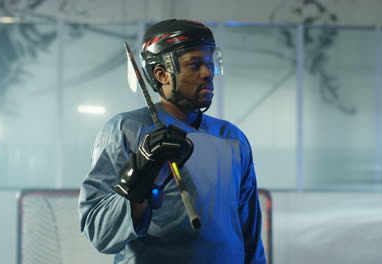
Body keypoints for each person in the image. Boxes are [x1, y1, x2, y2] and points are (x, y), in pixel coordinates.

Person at [78, 19, 266, 264]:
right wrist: (140, 177)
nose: (208, 73)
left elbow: (249, 232)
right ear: (162, 74)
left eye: (210, 64)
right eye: (194, 65)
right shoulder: (126, 130)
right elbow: (99, 232)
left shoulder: (232, 138)